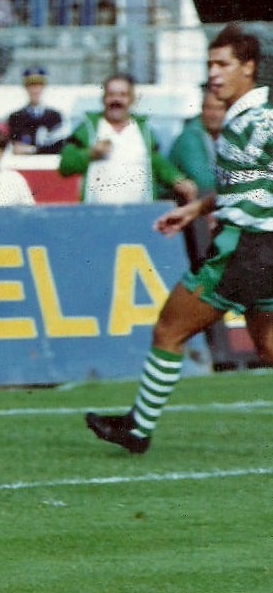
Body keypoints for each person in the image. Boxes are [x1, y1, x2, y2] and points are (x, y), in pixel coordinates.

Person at [87, 25, 273, 453]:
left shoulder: (260, 120)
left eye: (223, 64)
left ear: (248, 67)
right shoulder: (244, 116)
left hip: (244, 248)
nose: (213, 74)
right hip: (259, 249)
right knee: (267, 348)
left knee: (169, 329)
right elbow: (244, 185)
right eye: (210, 64)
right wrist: (196, 209)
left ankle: (137, 430)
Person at [168, 82, 237, 370]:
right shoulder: (190, 139)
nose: (214, 114)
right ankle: (217, 348)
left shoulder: (232, 136)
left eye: (220, 109)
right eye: (209, 108)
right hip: (188, 229)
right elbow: (205, 181)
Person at [58, 73, 197, 205]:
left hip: (138, 211)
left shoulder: (144, 130)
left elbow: (158, 164)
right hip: (98, 213)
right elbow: (65, 166)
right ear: (103, 98)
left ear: (132, 99)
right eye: (111, 94)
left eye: (123, 95)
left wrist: (177, 179)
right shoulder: (88, 129)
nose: (116, 100)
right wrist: (89, 154)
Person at [6, 67, 65, 155]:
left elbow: (59, 145)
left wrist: (33, 150)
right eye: (30, 85)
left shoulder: (54, 116)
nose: (34, 90)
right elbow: (14, 146)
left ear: (43, 87)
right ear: (25, 88)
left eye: (38, 85)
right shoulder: (15, 117)